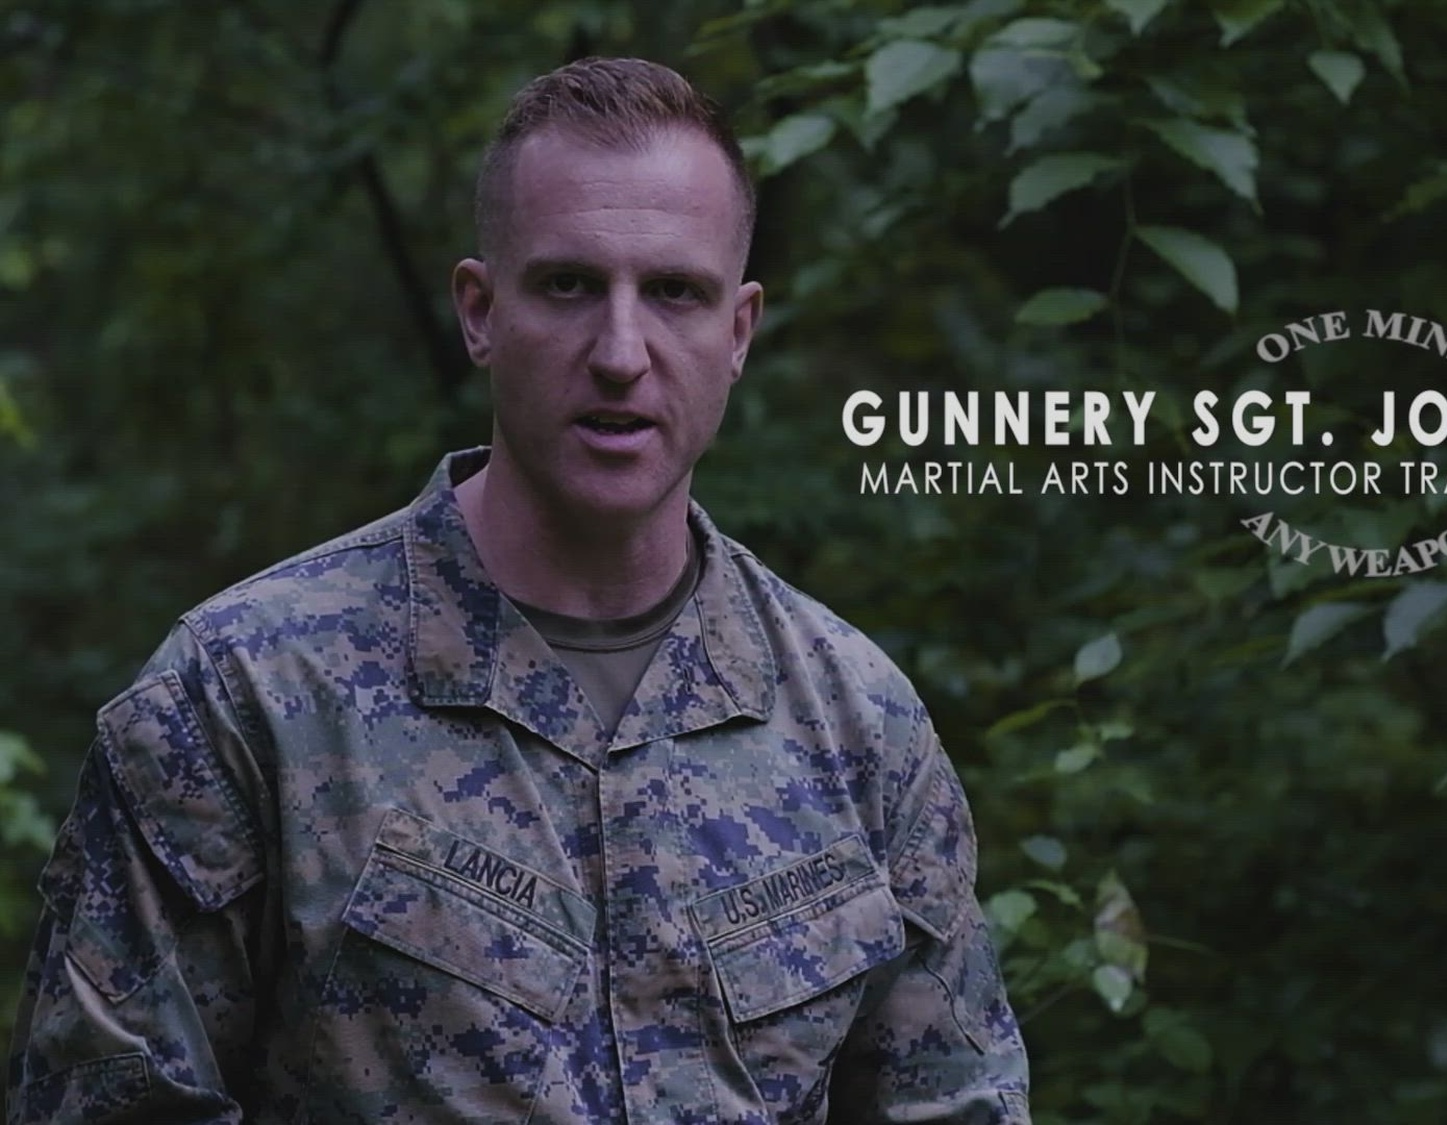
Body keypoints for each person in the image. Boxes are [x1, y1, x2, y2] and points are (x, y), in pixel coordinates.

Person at [5, 57, 1032, 1124]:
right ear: (480, 311)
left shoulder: (857, 725)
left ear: (738, 331)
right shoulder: (246, 695)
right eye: (568, 286)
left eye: (674, 292)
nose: (622, 354)